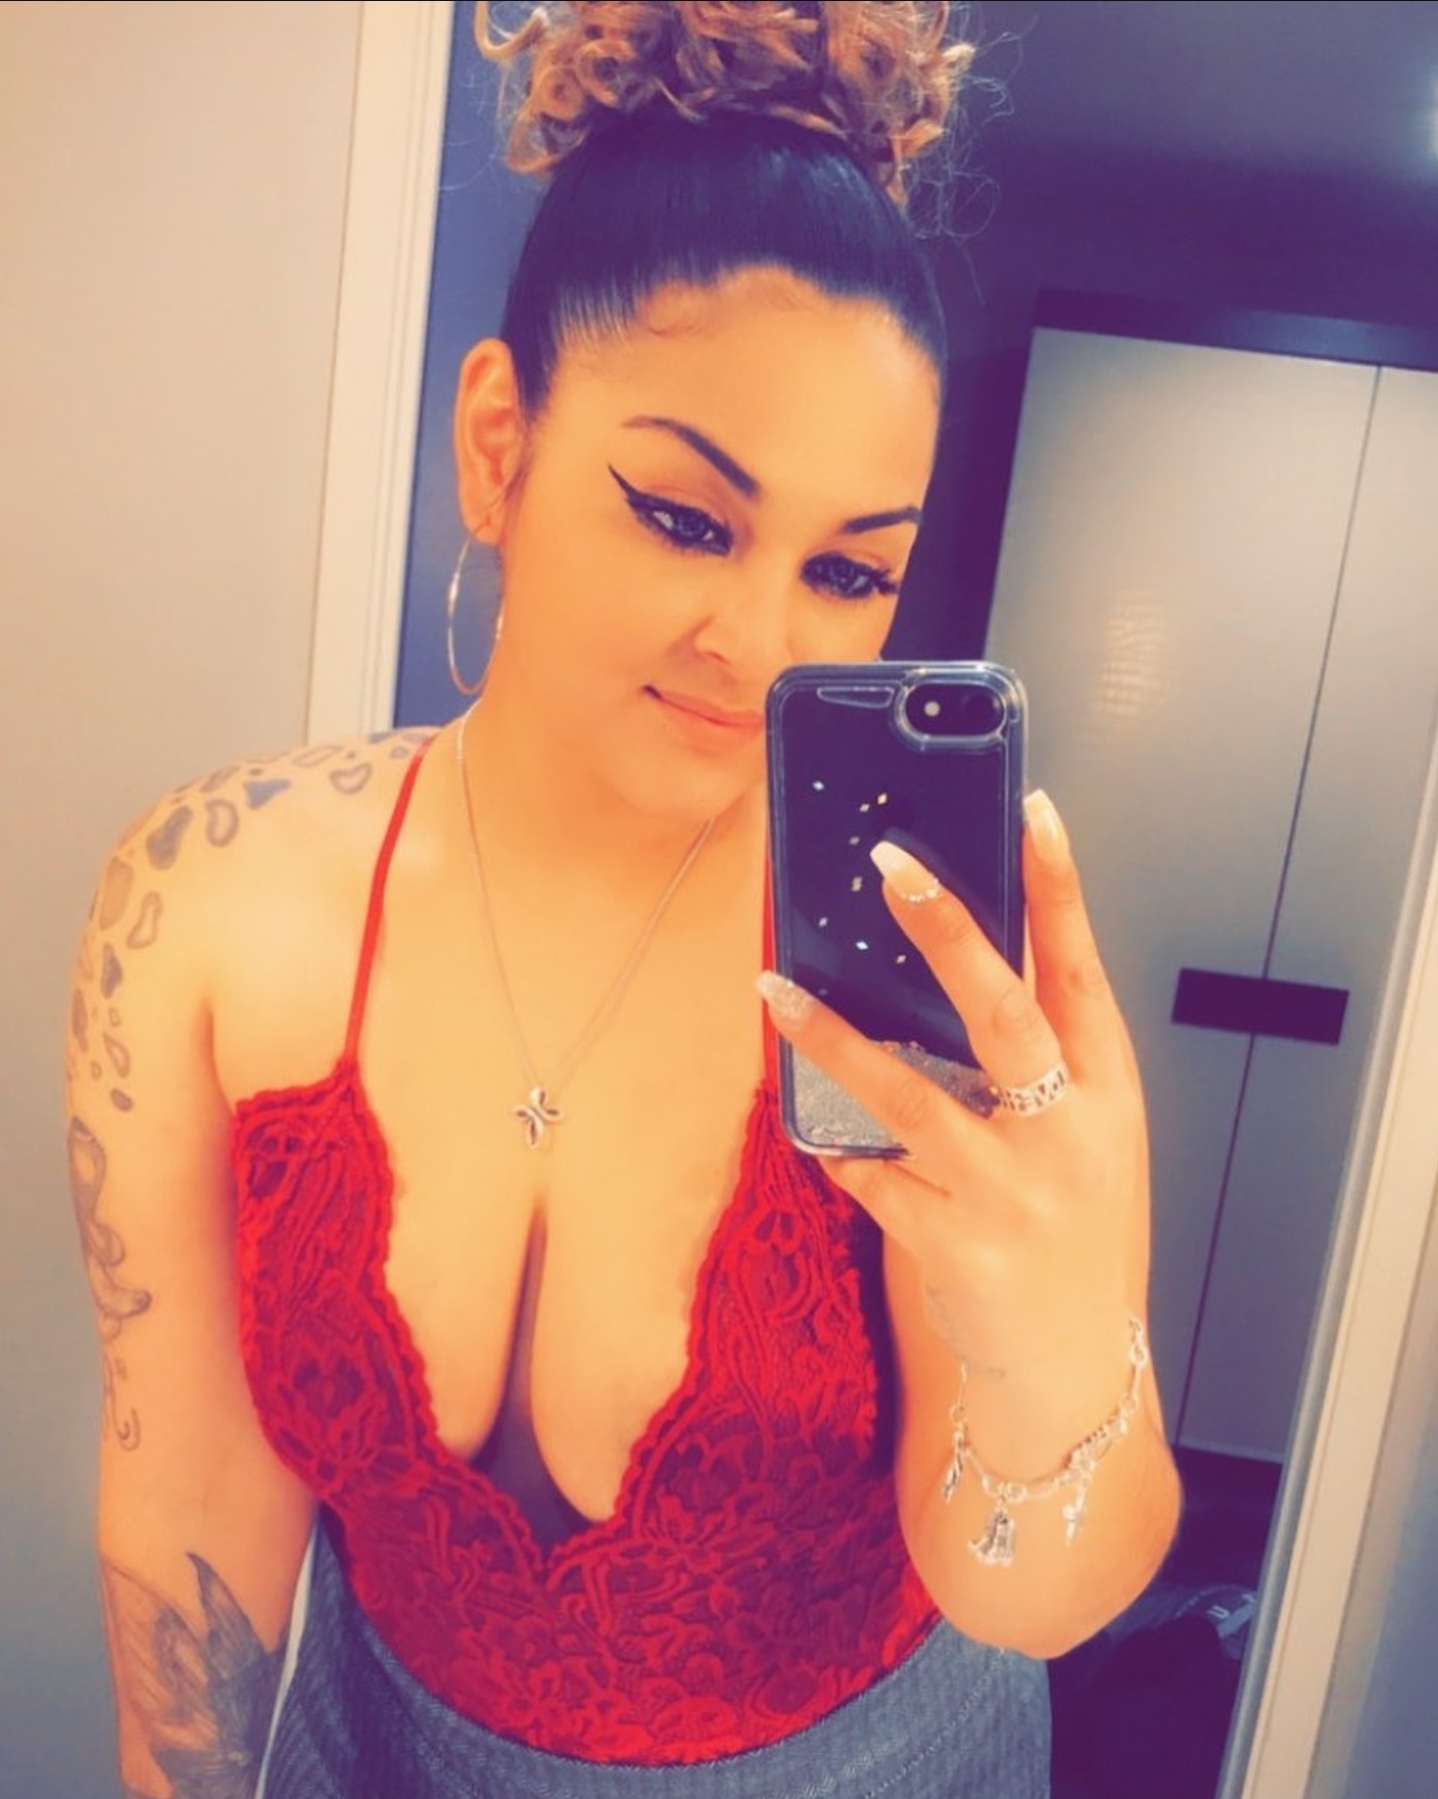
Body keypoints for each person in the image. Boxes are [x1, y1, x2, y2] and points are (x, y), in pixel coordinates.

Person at [66, 4, 1181, 1795]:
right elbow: (188, 1501)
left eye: (848, 573)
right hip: (376, 1754)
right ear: (496, 446)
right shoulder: (207, 906)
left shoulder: (918, 958)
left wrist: (1059, 1342)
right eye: (682, 516)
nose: (760, 643)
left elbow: (1030, 1595)